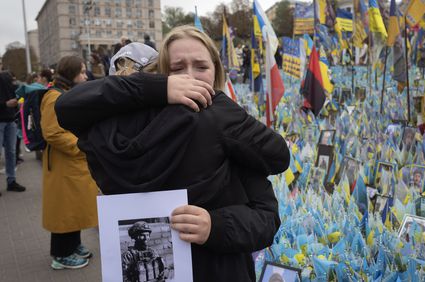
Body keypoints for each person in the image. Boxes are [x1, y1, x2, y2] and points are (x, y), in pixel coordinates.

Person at [55, 26, 289, 281]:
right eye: (177, 70)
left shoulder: (230, 128)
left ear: (216, 71)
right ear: (162, 75)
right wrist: (156, 90)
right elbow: (67, 107)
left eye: (201, 67)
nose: (190, 77)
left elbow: (266, 218)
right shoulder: (140, 127)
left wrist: (216, 225)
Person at [41, 55, 98, 270]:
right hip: (63, 163)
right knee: (64, 211)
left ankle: (74, 245)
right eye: (82, 72)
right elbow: (52, 133)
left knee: (73, 209)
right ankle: (61, 254)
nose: (85, 76)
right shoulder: (54, 97)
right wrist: (82, 146)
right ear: (71, 73)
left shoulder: (63, 93)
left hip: (70, 163)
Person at [0, 71, 26, 196]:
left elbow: (18, 93)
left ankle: (11, 181)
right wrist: (5, 104)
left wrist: (18, 103)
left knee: (11, 152)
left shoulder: (7, 77)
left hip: (11, 120)